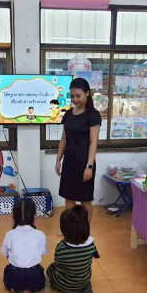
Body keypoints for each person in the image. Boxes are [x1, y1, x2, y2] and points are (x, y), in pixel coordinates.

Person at [55, 78, 101, 223]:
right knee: (69, 198)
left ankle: (84, 231)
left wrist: (89, 166)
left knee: (85, 199)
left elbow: (93, 142)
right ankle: (71, 230)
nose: (75, 99)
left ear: (87, 93)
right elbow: (63, 139)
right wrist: (58, 160)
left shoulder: (93, 115)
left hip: (84, 163)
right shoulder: (68, 114)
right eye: (72, 96)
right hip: (69, 162)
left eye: (78, 96)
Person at [46, 206, 99, 293]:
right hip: (84, 280)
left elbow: (58, 264)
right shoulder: (91, 245)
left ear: (64, 230)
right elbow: (96, 255)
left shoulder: (62, 248)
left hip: (65, 284)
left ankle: (69, 291)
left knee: (50, 268)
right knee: (82, 272)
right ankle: (86, 287)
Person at [0, 198, 48, 293]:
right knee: (40, 272)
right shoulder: (40, 234)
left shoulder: (10, 234)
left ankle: (17, 287)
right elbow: (43, 253)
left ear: (13, 216)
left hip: (14, 275)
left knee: (8, 270)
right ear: (35, 217)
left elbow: (3, 253)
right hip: (34, 276)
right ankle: (30, 289)